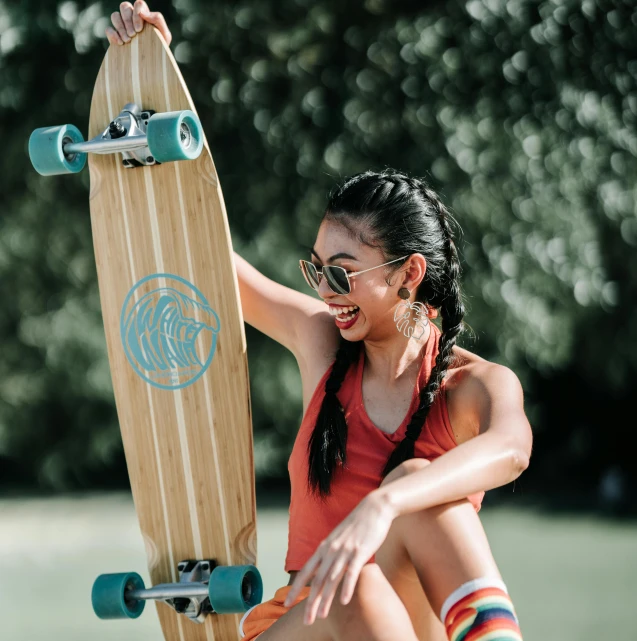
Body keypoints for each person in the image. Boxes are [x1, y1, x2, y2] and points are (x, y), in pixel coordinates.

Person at [107, 5, 533, 640]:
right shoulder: (322, 344)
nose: (327, 293)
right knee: (355, 580)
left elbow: (512, 449)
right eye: (318, 270)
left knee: (417, 486)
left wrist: (384, 504)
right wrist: (153, 91)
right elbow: (197, 252)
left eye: (344, 272)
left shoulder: (475, 387)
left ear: (408, 274)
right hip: (301, 624)